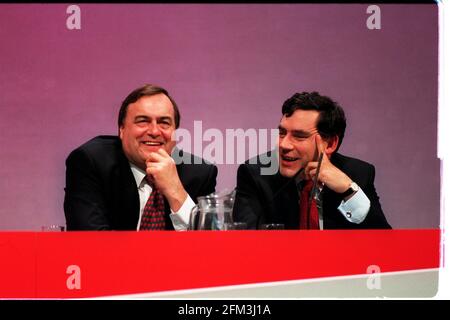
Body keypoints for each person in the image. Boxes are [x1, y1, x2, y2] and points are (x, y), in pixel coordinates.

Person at [64, 84, 218, 230]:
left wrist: (176, 192)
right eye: (143, 121)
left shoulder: (200, 174)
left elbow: (211, 248)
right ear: (122, 130)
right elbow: (90, 242)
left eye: (164, 123)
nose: (154, 131)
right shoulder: (91, 162)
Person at [232, 91, 391, 229]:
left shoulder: (358, 173)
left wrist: (348, 190)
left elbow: (383, 246)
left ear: (330, 144)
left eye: (299, 136)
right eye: (282, 133)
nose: (284, 144)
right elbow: (245, 245)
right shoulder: (256, 174)